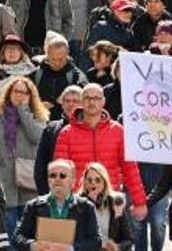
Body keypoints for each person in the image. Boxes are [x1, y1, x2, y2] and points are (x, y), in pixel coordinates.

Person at [53, 84, 149, 216]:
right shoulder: (66, 133)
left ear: (103, 101)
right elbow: (60, 172)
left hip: (110, 201)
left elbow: (130, 169)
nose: (92, 102)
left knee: (111, 237)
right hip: (77, 203)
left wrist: (140, 202)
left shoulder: (117, 131)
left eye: (96, 98)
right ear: (81, 101)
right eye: (87, 98)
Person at [0, 74, 49, 251]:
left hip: (29, 176)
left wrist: (23, 112)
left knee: (29, 223)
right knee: (9, 224)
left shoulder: (40, 116)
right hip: (6, 177)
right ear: (9, 93)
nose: (20, 95)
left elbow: (36, 136)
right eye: (16, 91)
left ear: (31, 95)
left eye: (24, 92)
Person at [15, 158, 103, 251]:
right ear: (48, 180)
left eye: (62, 175)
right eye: (52, 175)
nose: (57, 179)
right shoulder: (33, 206)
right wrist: (33, 246)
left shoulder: (86, 207)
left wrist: (71, 250)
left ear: (72, 180)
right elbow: (17, 237)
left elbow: (96, 241)